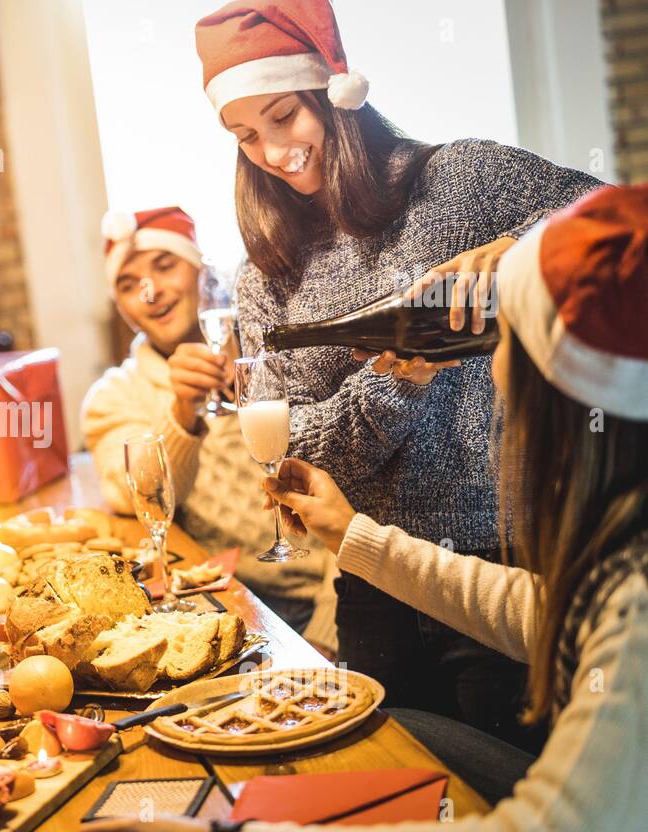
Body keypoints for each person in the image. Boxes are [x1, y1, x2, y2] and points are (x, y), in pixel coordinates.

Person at [78, 183, 648, 832]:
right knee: (396, 729)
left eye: (508, 345)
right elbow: (539, 611)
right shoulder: (618, 564)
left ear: (568, 396)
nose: (492, 374)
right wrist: (349, 534)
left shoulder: (635, 600)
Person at [188, 0, 603, 747]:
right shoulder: (267, 273)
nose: (274, 151)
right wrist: (396, 382)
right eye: (246, 135)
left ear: (333, 99)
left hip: (504, 569)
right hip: (371, 578)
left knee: (517, 811)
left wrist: (515, 245)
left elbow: (612, 219)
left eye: (285, 116)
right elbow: (292, 452)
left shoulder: (460, 179)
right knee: (399, 789)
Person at [82, 206, 335, 641]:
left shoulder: (273, 349)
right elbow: (135, 500)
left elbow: (356, 483)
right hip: (233, 596)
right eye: (128, 285)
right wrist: (181, 411)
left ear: (202, 270)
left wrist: (327, 636)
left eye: (165, 266)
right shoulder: (114, 394)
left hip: (338, 588)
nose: (150, 292)